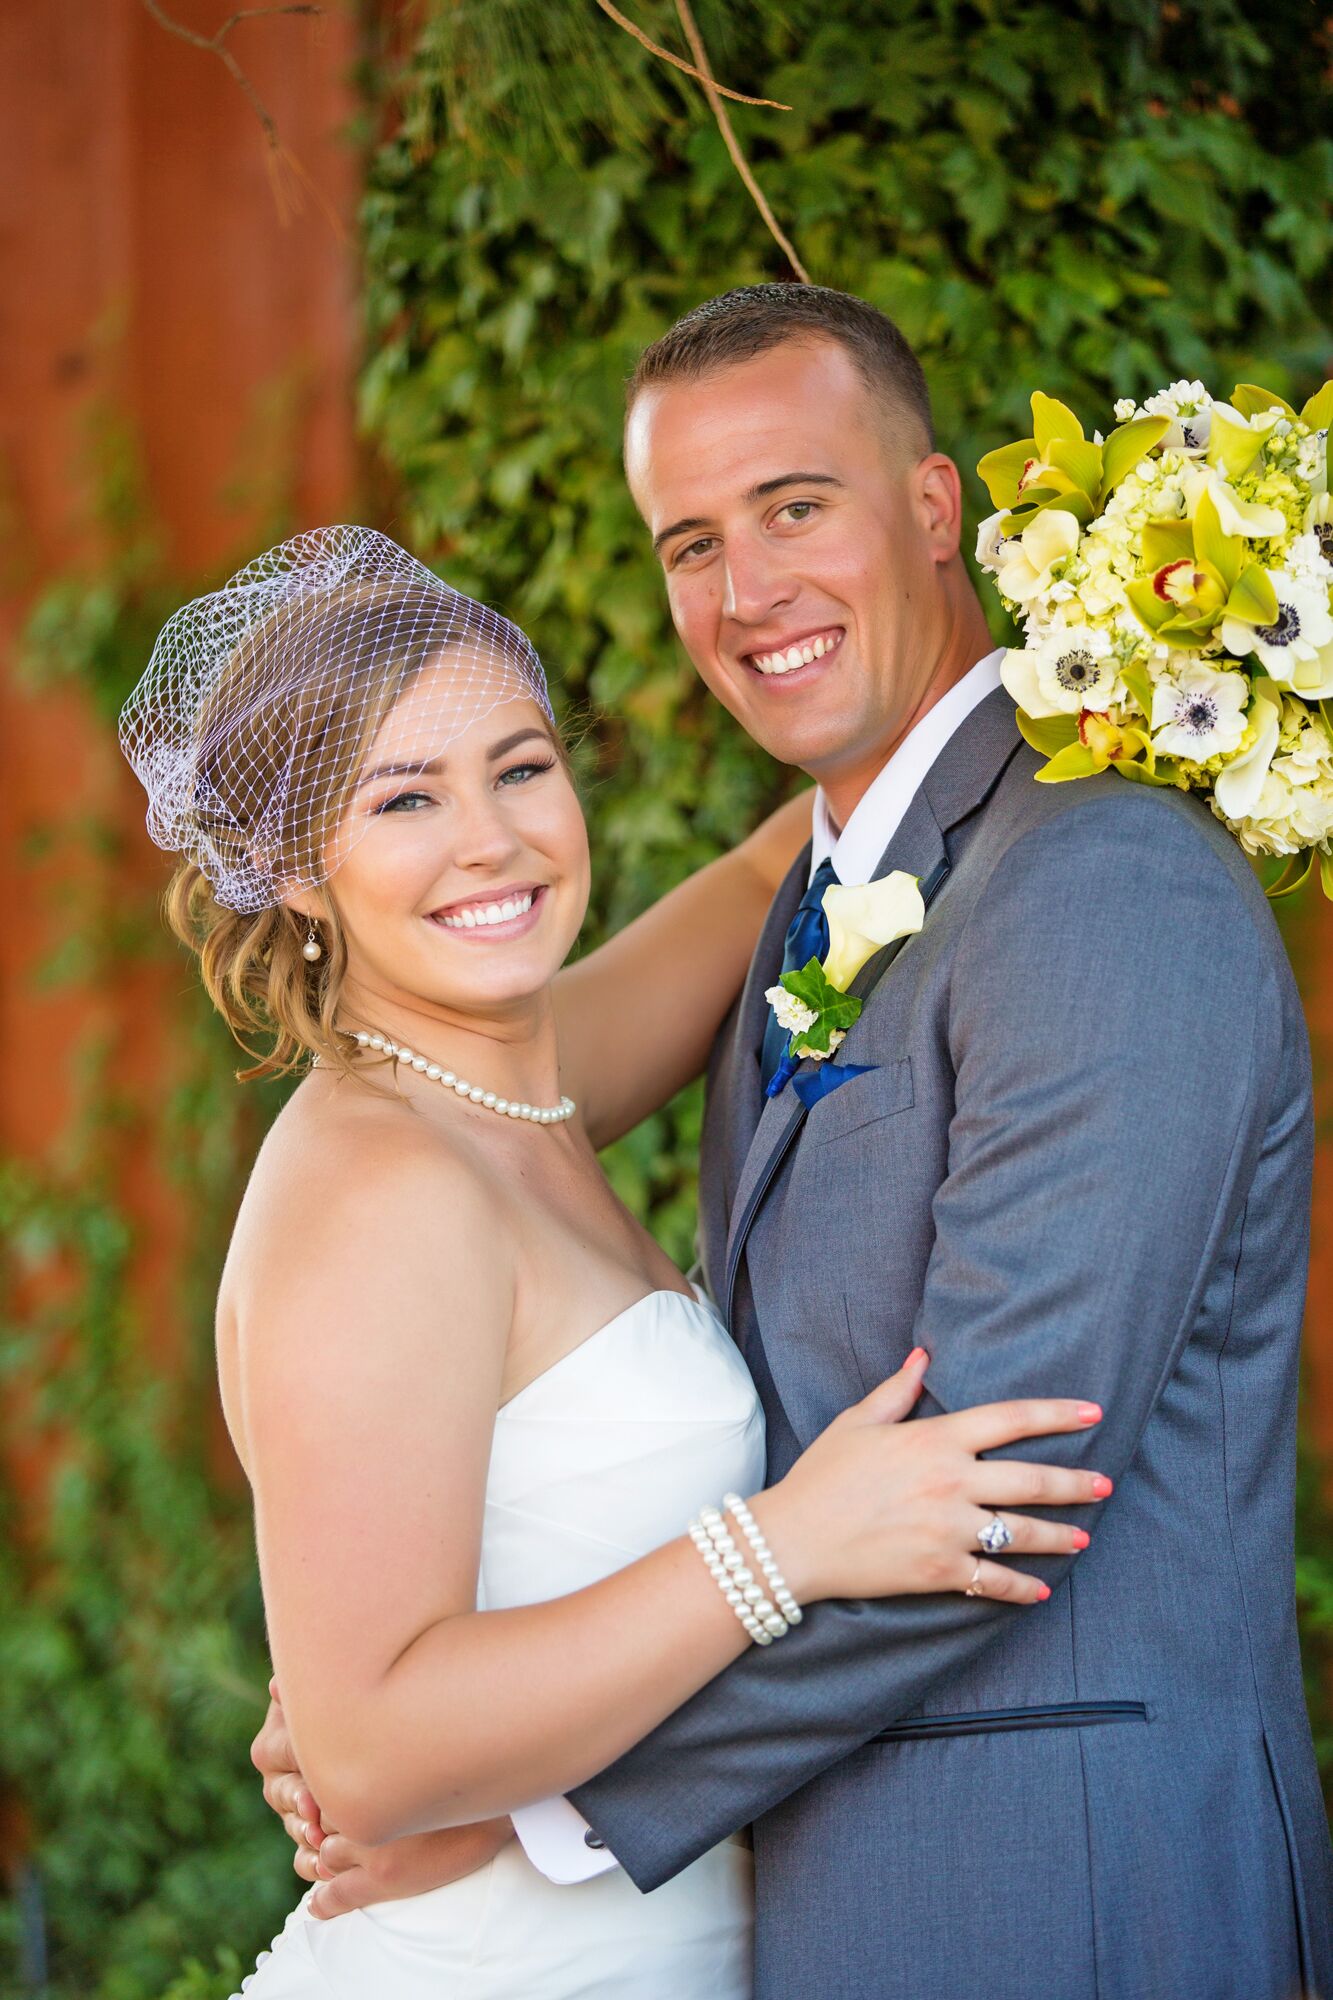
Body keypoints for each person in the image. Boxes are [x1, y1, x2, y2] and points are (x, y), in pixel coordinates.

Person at [254, 289, 1333, 2000]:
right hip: (828, 1902)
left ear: (932, 507)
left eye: (793, 507)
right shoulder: (814, 911)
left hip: (1063, 1894)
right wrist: (381, 1687)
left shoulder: (1095, 887)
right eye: (691, 541)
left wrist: (544, 1805)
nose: (743, 590)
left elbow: (992, 1492)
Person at [118, 525, 1103, 1997]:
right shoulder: (380, 1182)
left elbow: (803, 844)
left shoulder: (517, 1082)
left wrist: (1124, 648)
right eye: (403, 799)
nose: (491, 842)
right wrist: (786, 1546)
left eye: (518, 767)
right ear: (297, 873)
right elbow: (373, 1754)